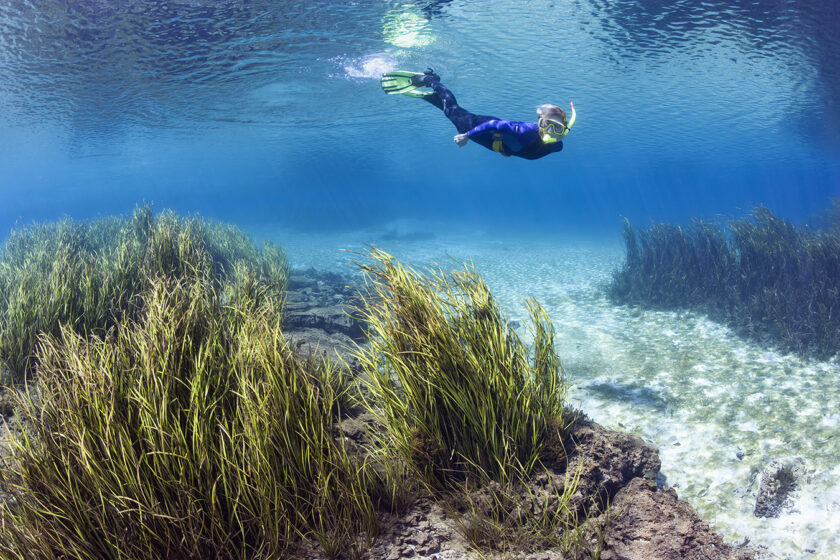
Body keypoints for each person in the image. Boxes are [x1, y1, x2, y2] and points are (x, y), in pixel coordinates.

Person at [380, 68, 575, 160]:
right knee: (452, 110)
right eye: (546, 125)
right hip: (483, 129)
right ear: (539, 123)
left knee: (450, 111)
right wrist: (467, 136)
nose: (550, 131)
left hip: (494, 140)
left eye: (556, 128)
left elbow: (555, 146)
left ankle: (432, 97)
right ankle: (431, 80)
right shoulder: (523, 131)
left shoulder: (557, 144)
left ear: (564, 130)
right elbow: (495, 126)